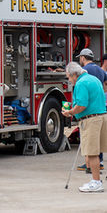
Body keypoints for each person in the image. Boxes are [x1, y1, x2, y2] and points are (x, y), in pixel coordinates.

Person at [62, 62, 107, 192]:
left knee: (92, 153)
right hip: (102, 116)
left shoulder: (81, 83)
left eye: (69, 77)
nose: (69, 80)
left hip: (90, 120)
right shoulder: (94, 79)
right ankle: (96, 180)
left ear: (74, 75)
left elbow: (81, 105)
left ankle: (96, 182)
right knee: (99, 150)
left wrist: (69, 112)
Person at [76, 48, 107, 172]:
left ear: (83, 58)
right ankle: (98, 161)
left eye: (80, 58)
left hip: (89, 109)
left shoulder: (84, 71)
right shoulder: (100, 70)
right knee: (98, 139)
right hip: (100, 107)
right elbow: (105, 83)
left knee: (89, 140)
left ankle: (89, 164)